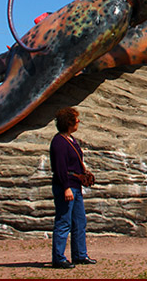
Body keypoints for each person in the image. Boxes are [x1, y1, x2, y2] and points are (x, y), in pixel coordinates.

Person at [49, 107, 96, 268]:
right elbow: (60, 167)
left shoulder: (70, 140)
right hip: (67, 186)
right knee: (63, 222)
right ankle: (59, 258)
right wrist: (65, 187)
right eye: (76, 120)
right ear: (69, 122)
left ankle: (80, 255)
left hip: (76, 186)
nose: (79, 122)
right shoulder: (59, 142)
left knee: (79, 221)